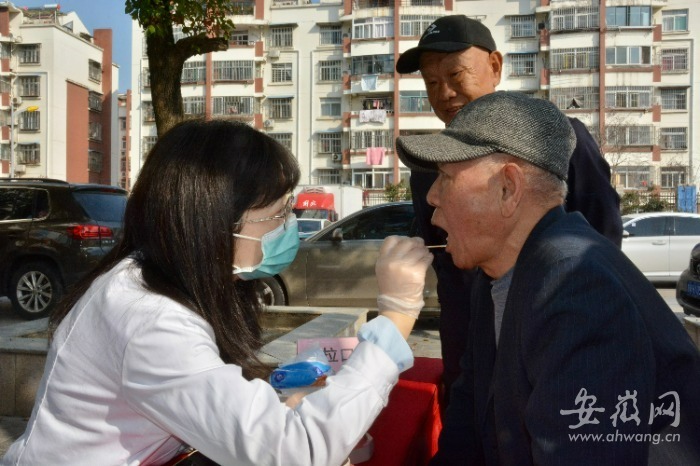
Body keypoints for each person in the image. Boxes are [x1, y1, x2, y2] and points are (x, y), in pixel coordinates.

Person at [1, 120, 433, 466]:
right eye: (278, 211)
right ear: (212, 222)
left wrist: (286, 406)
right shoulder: (149, 317)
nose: (289, 224)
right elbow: (292, 451)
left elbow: (216, 404)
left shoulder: (162, 281)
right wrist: (395, 316)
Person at [396, 91, 700, 464]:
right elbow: (467, 433)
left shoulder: (577, 286)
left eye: (444, 177)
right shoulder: (493, 278)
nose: (431, 197)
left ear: (508, 188)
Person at [395, 15, 623, 403]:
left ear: (495, 67)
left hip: (557, 338)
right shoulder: (424, 167)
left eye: (455, 75)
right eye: (431, 83)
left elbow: (602, 239)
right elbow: (449, 275)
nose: (445, 93)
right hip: (473, 348)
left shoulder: (558, 142)